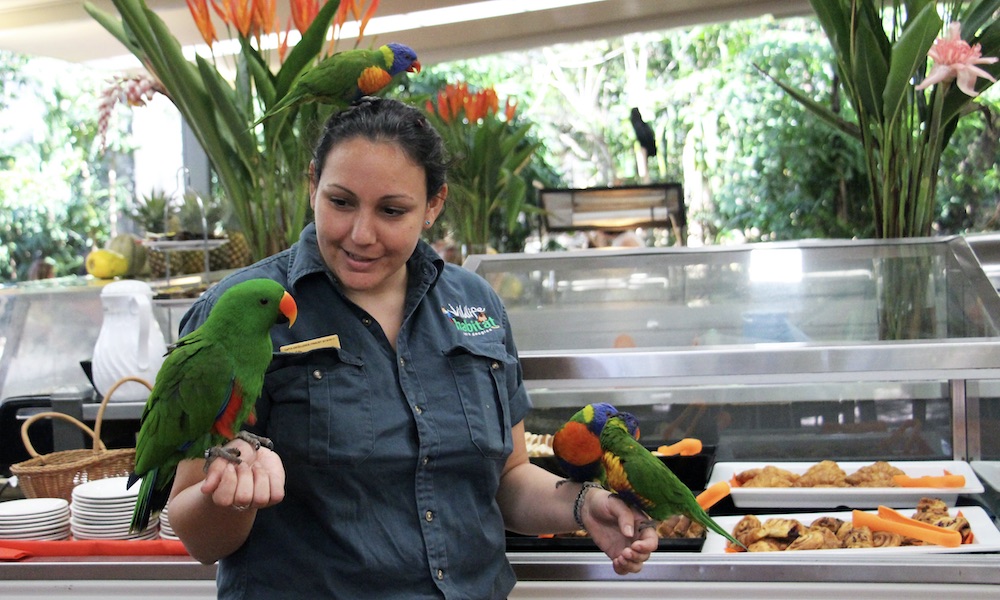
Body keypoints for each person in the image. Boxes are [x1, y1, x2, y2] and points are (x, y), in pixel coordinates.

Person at [166, 97, 658, 599]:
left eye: (392, 210)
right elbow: (197, 534)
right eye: (340, 202)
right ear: (313, 184)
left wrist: (581, 505)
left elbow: (507, 479)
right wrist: (233, 498)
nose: (361, 234)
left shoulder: (475, 303)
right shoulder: (237, 313)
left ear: (434, 205)